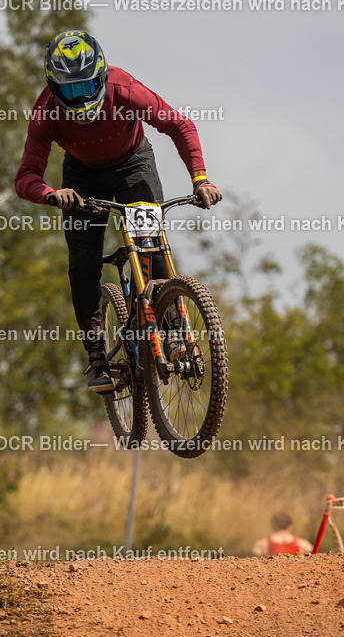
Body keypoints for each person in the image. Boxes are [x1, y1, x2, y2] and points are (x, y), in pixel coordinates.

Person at [14, 30, 221, 392]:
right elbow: (25, 176)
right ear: (53, 87)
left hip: (133, 163)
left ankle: (173, 329)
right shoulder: (46, 111)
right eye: (70, 90)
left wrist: (200, 178)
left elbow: (179, 124)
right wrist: (51, 194)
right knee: (83, 262)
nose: (80, 97)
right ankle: (97, 356)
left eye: (86, 86)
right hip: (81, 178)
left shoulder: (123, 89)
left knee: (150, 240)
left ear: (102, 75)